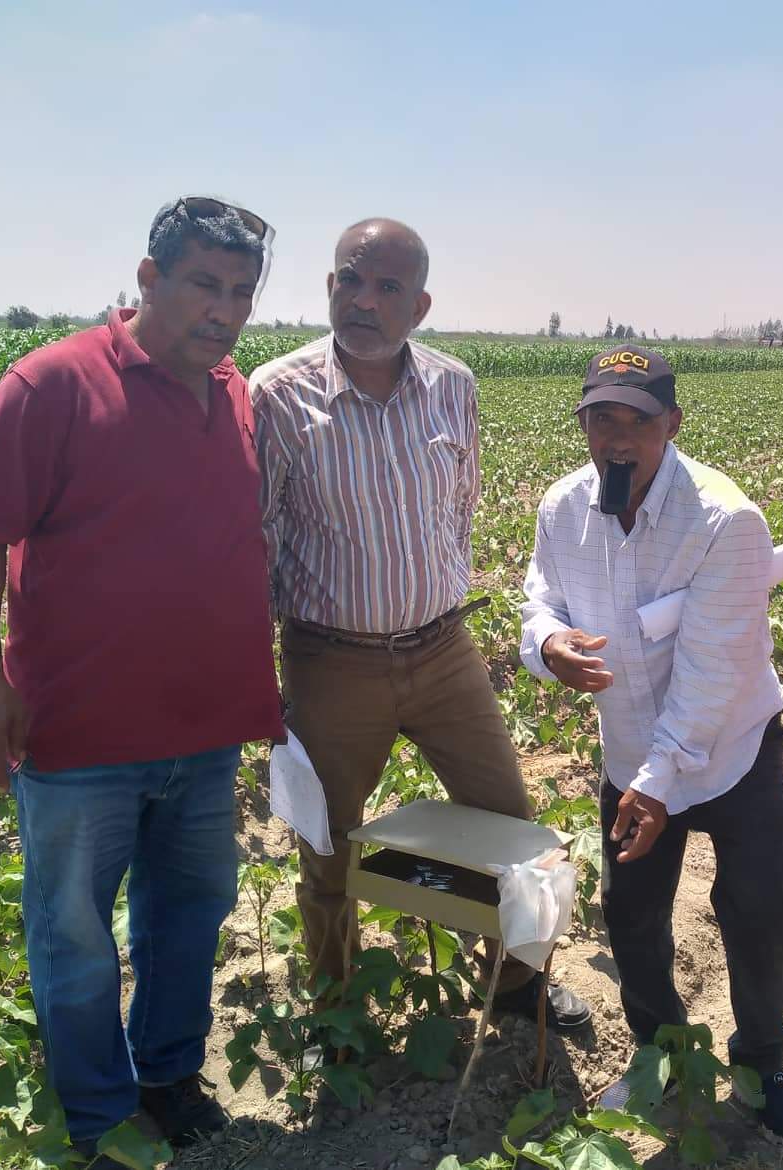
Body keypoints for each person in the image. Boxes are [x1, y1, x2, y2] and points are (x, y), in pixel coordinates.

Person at [0, 197, 282, 1163]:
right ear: (147, 278)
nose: (224, 311)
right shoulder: (51, 383)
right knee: (75, 934)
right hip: (83, 731)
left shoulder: (235, 394)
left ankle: (169, 1077)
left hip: (205, 730)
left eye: (242, 292)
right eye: (204, 284)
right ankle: (98, 1114)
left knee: (191, 915)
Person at [249, 217, 589, 1031]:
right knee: (328, 845)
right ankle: (336, 1008)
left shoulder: (453, 386)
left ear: (420, 306)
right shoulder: (278, 395)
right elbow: (256, 540)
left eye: (387, 287)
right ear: (329, 286)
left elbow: (458, 508)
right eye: (350, 280)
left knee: (512, 827)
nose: (363, 300)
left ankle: (514, 981)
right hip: (331, 661)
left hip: (443, 649)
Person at [520, 345, 783, 1154]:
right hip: (629, 751)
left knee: (759, 912)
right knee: (631, 913)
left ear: (673, 425)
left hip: (731, 750)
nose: (618, 439)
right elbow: (540, 598)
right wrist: (547, 644)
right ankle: (658, 1051)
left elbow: (711, 674)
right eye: (602, 419)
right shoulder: (564, 507)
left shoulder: (725, 521)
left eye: (639, 421)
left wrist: (658, 783)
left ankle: (763, 1068)